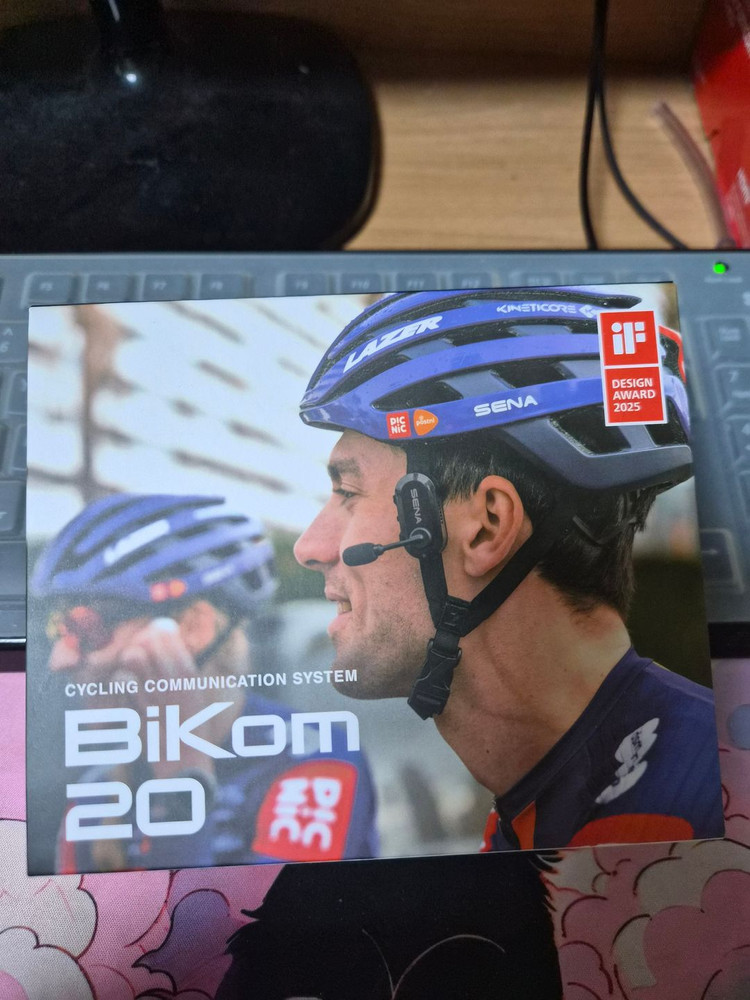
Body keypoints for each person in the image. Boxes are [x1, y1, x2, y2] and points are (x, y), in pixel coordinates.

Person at [293, 286, 725, 850]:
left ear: (487, 526)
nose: (309, 547)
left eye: (348, 492)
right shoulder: (539, 815)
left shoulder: (711, 804)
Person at [31, 493, 378, 871]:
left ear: (192, 627)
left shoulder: (315, 758)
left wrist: (183, 779)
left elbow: (270, 909)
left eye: (87, 626)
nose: (59, 660)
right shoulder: (96, 793)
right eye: (58, 628)